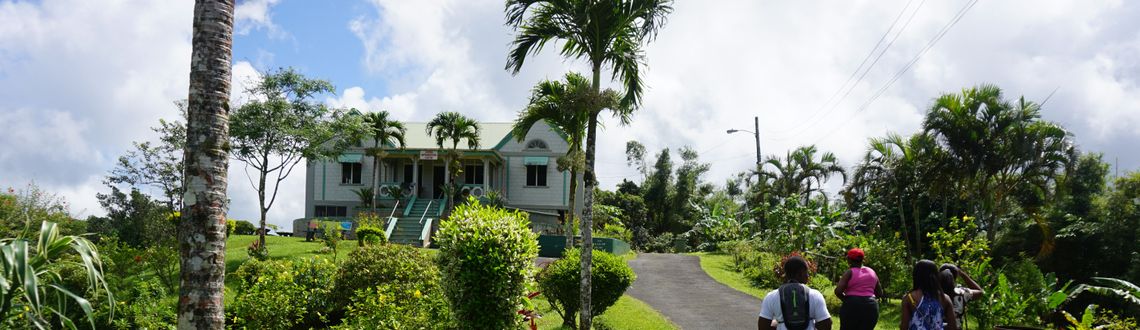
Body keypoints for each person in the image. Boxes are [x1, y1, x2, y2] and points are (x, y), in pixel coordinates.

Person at [759, 256, 832, 330]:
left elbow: (762, 326)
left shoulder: (771, 296)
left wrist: (779, 324)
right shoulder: (815, 295)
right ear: (800, 274)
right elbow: (826, 324)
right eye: (806, 273)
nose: (808, 276)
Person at [835, 248, 885, 330]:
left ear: (849, 260)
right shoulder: (872, 272)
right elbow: (879, 293)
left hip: (852, 305)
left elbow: (838, 291)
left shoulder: (849, 272)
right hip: (871, 307)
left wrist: (847, 300)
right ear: (862, 259)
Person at [901, 260, 958, 330]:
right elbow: (953, 327)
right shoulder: (945, 298)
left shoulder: (909, 298)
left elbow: (904, 327)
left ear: (916, 276)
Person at [939, 264, 984, 330]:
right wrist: (962, 274)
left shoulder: (932, 293)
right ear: (955, 277)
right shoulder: (962, 293)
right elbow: (980, 292)